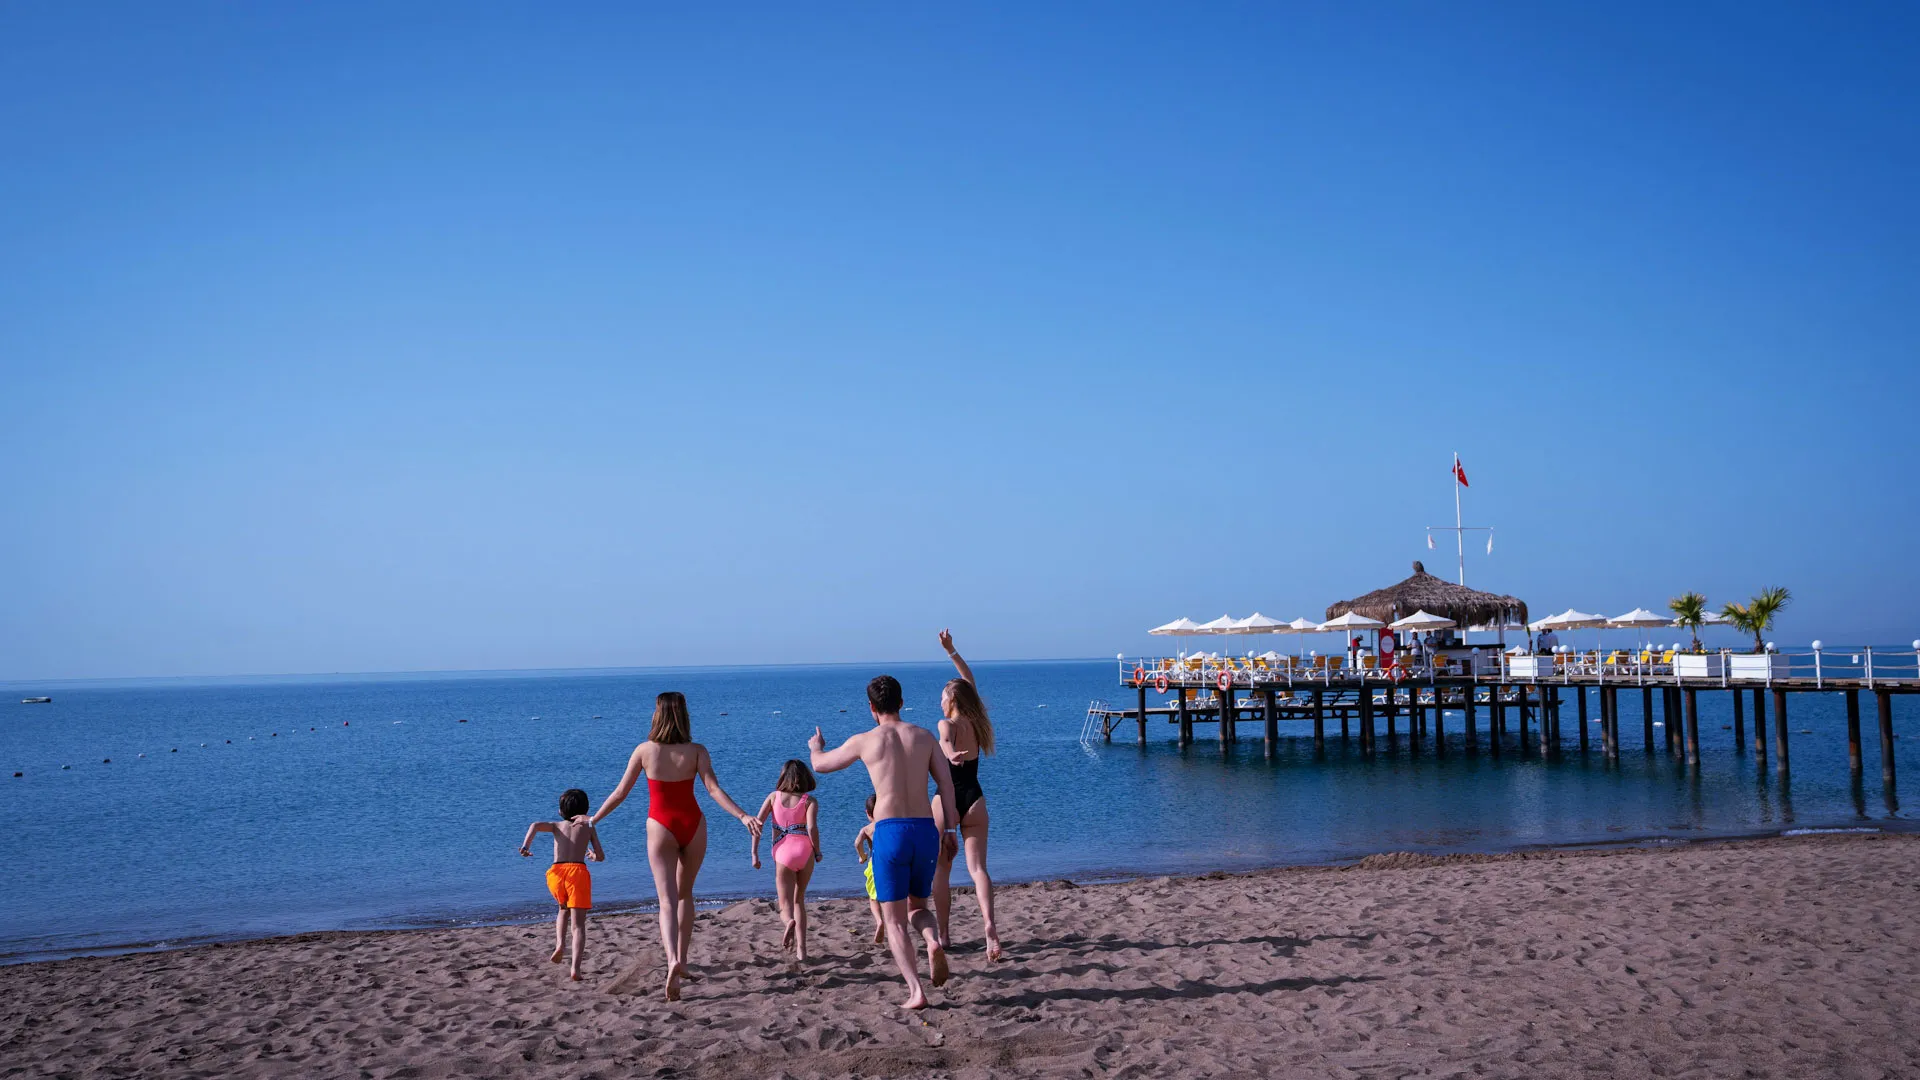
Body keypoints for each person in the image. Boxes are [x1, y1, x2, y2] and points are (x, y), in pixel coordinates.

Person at [590, 691, 760, 1001]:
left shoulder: (644, 750)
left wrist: (593, 820)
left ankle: (671, 960)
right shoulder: (697, 751)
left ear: (657, 715)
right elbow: (713, 790)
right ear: (684, 716)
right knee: (685, 895)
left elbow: (620, 793)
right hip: (693, 825)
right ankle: (682, 959)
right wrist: (742, 815)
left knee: (666, 901)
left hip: (660, 826)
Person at [809, 674, 958, 1011]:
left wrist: (815, 746)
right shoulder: (924, 736)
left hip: (890, 831)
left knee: (894, 921)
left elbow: (820, 765)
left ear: (871, 707)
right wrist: (950, 830)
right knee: (918, 908)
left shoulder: (866, 740)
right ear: (901, 703)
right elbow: (947, 785)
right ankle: (933, 940)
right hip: (925, 830)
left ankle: (916, 991)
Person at [930, 629, 1001, 962]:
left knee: (941, 871)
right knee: (978, 869)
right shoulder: (977, 721)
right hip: (975, 797)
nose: (940, 701)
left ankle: (944, 935)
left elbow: (945, 742)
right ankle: (990, 926)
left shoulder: (946, 724)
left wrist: (949, 753)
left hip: (947, 800)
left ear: (953, 700)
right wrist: (951, 650)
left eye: (943, 696)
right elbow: (968, 680)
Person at [519, 788, 604, 982]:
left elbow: (534, 825)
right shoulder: (588, 826)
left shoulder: (556, 826)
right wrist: (592, 855)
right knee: (578, 925)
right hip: (577, 873)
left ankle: (559, 944)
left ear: (560, 811)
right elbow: (600, 856)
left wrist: (525, 847)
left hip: (556, 873)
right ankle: (575, 968)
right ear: (586, 810)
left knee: (562, 909)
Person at [750, 759, 823, 961]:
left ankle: (788, 921)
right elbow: (811, 828)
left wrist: (754, 853)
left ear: (783, 776)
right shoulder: (809, 801)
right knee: (799, 900)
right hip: (804, 850)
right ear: (806, 777)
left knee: (785, 905)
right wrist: (817, 852)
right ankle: (802, 950)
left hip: (783, 853)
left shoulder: (773, 797)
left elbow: (757, 824)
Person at [852, 794, 884, 945]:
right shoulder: (888, 825)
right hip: (891, 863)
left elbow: (857, 843)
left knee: (873, 897)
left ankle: (879, 921)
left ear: (867, 812)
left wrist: (862, 856)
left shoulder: (867, 829)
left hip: (875, 864)